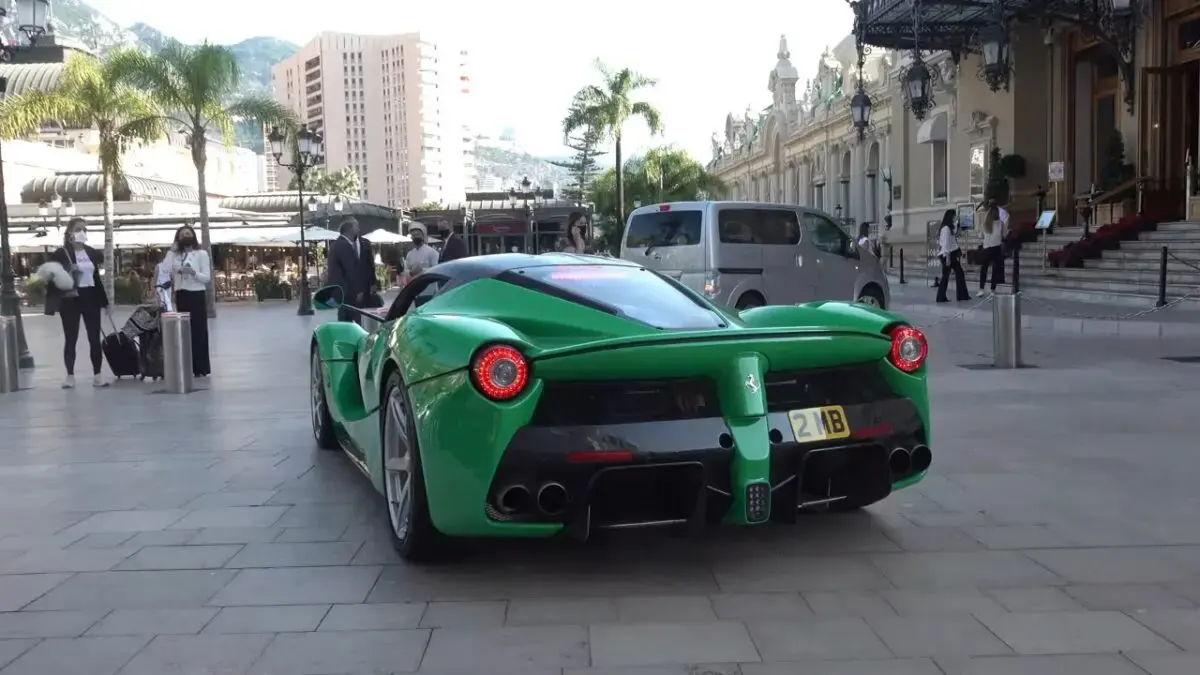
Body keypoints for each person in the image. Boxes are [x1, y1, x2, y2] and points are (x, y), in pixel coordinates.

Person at [38, 217, 110, 389]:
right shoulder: (61, 253)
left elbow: (96, 279)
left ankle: (97, 375)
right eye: (78, 229)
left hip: (90, 296)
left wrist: (105, 302)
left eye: (85, 229)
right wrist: (67, 269)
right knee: (71, 338)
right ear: (69, 233)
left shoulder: (91, 253)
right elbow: (51, 274)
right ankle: (70, 375)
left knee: (94, 337)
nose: (82, 232)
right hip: (70, 298)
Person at [164, 225, 212, 377]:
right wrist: (171, 251)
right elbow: (165, 268)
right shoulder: (175, 255)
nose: (185, 236)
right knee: (184, 331)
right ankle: (186, 366)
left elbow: (207, 278)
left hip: (196, 293)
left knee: (199, 330)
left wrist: (193, 273)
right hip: (181, 293)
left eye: (188, 233)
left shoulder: (201, 254)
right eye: (182, 234)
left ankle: (201, 367)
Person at [327, 218, 378, 315]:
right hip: (348, 291)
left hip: (342, 291)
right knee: (353, 317)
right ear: (350, 229)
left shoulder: (336, 244)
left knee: (345, 316)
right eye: (356, 227)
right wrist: (358, 291)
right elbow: (350, 270)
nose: (359, 229)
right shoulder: (344, 245)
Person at [935, 208, 971, 303]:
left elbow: (955, 236)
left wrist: (960, 227)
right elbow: (946, 244)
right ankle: (941, 297)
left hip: (950, 254)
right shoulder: (946, 229)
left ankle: (961, 295)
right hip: (947, 255)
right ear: (950, 216)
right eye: (954, 216)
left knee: (958, 273)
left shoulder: (949, 228)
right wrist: (947, 258)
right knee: (946, 277)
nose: (955, 218)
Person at [977, 203, 1007, 294]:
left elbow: (980, 236)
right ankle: (992, 290)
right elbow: (1004, 235)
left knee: (984, 269)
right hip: (996, 248)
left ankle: (981, 289)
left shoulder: (985, 225)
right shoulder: (1001, 224)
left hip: (986, 248)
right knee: (995, 270)